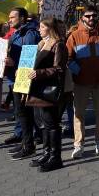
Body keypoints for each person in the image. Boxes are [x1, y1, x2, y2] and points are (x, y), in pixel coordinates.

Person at [67, 4, 99, 159]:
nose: (91, 18)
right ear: (82, 17)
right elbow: (68, 58)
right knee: (79, 114)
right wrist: (79, 72)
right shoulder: (74, 36)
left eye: (94, 15)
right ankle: (78, 145)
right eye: (88, 15)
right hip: (81, 83)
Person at [25, 18, 68, 171]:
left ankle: (56, 158)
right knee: (43, 124)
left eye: (42, 27)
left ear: (50, 29)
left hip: (49, 90)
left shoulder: (58, 45)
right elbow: (32, 64)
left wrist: (39, 73)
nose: (39, 29)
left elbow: (59, 69)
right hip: (37, 89)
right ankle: (46, 153)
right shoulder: (41, 44)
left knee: (51, 124)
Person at [5, 7, 41, 159]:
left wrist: (13, 62)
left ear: (22, 18)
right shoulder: (16, 34)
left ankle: (29, 145)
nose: (10, 20)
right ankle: (26, 141)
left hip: (24, 79)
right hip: (15, 78)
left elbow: (30, 59)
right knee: (21, 113)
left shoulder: (30, 34)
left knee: (25, 113)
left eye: (13, 17)